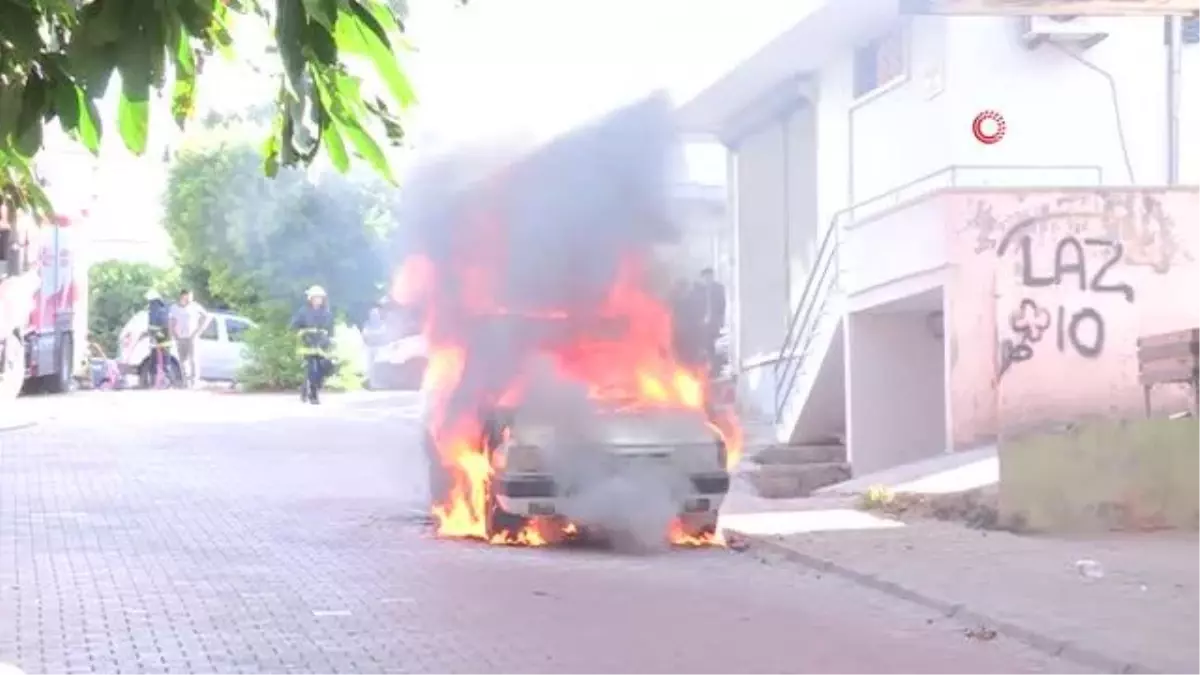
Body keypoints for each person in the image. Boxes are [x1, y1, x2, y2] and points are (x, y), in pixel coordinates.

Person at [290, 285, 335, 404]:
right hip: (308, 345)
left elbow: (330, 329)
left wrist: (330, 339)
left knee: (322, 369)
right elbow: (294, 324)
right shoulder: (303, 311)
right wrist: (302, 331)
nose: (318, 300)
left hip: (321, 346)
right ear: (310, 298)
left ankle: (306, 388)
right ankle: (313, 395)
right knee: (313, 369)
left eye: (320, 298)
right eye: (315, 298)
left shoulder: (326, 313)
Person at [169, 288, 210, 388]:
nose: (191, 298)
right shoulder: (174, 307)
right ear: (183, 296)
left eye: (192, 296)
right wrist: (174, 334)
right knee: (182, 360)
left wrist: (198, 331)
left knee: (193, 359)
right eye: (189, 295)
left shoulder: (195, 306)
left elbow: (206, 316)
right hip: (180, 337)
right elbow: (171, 321)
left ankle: (194, 381)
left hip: (192, 337)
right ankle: (185, 382)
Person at [695, 268, 727, 376]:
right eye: (705, 277)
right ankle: (710, 367)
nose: (707, 279)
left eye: (709, 276)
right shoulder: (700, 291)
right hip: (704, 322)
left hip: (714, 321)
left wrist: (721, 319)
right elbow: (697, 306)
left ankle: (716, 367)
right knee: (707, 345)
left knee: (715, 344)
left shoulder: (719, 288)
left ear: (712, 276)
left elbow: (722, 304)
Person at [144, 290, 173, 387]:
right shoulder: (159, 309)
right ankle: (157, 381)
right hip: (159, 337)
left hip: (162, 337)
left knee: (162, 361)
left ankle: (164, 381)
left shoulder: (160, 309)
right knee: (156, 360)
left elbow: (161, 325)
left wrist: (153, 334)